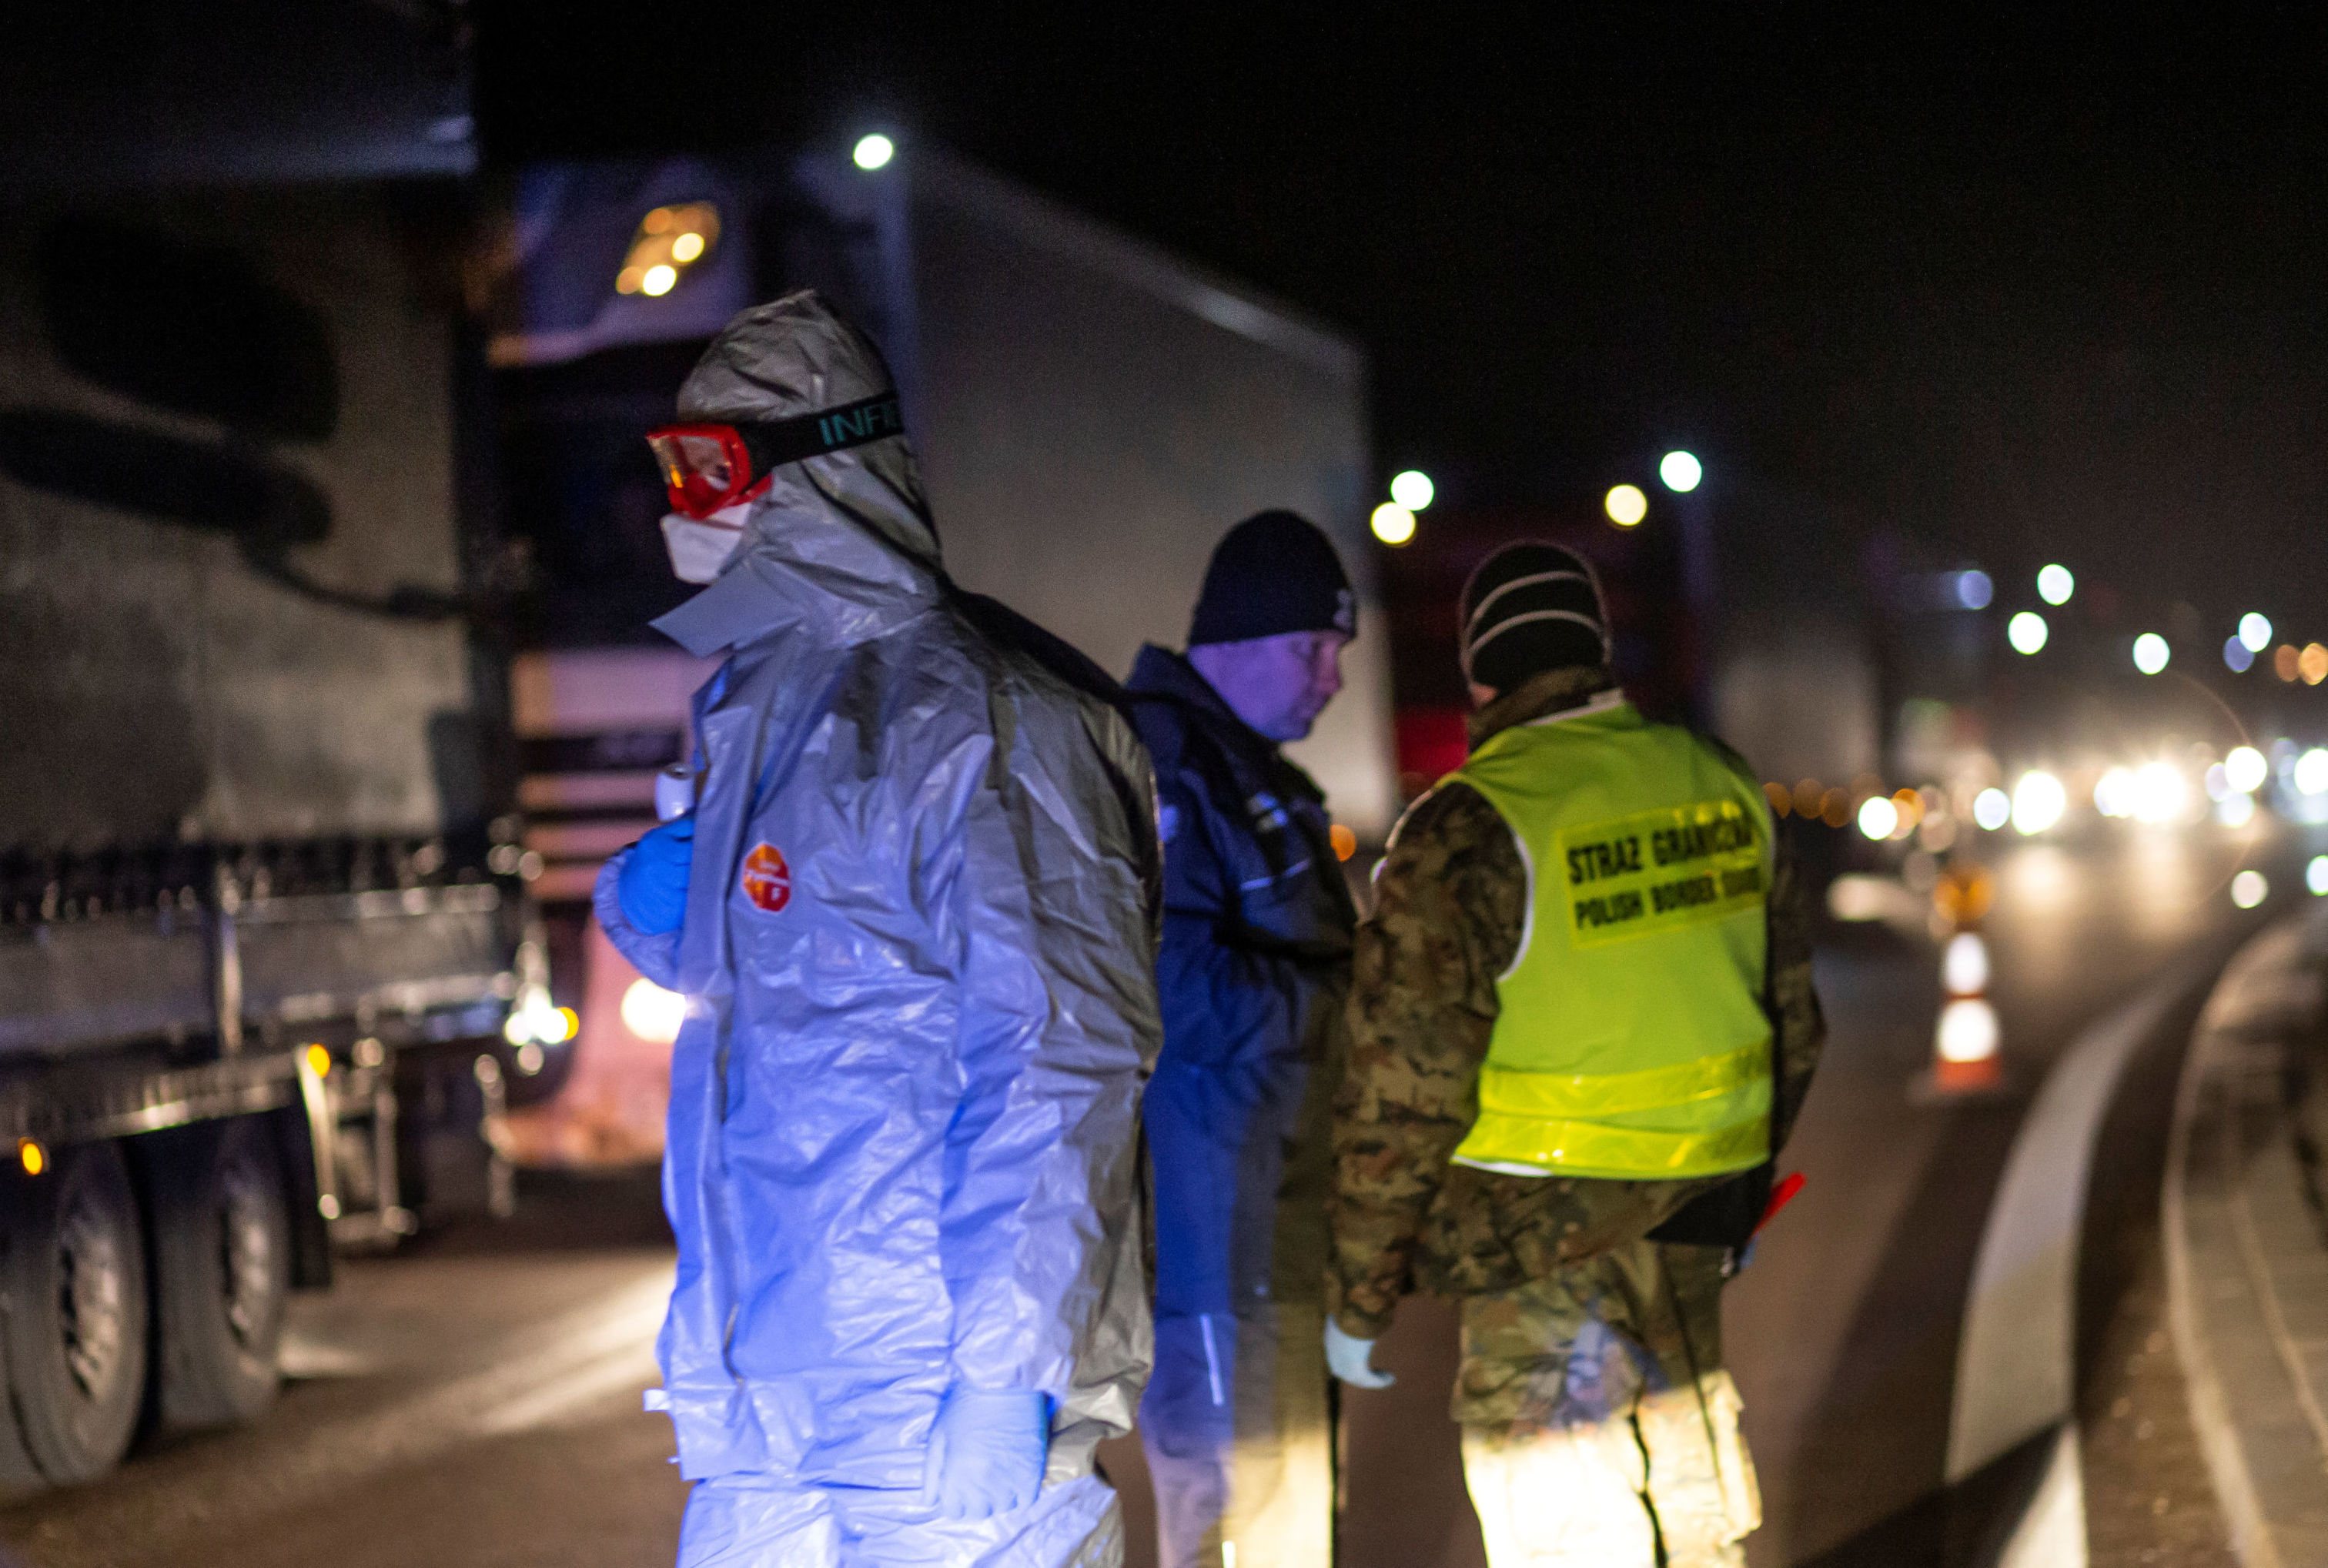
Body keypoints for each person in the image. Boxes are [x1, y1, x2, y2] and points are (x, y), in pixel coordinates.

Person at [598, 291, 1164, 1567]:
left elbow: (1057, 1054)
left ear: (820, 469)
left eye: (717, 467)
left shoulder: (989, 717)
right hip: (769, 1369)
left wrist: (1005, 1373)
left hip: (932, 1362)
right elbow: (760, 980)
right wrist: (655, 891)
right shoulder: (758, 702)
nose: (690, 505)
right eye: (675, 468)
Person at [1324, 541, 1824, 1567]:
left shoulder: (1463, 828)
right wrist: (1743, 1184)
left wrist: (1360, 1293)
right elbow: (1795, 1021)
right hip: (1696, 1222)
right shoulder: (1720, 781)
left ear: (1481, 673)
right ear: (1596, 649)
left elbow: (1399, 1096)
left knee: (1571, 1540)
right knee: (1696, 1513)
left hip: (1535, 1247)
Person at [1124, 512, 1359, 1568]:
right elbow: (1170, 989)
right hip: (1211, 1243)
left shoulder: (1254, 775)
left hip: (1269, 1226)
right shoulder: (1172, 767)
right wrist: (1350, 999)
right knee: (1240, 1522)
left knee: (1288, 1524)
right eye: (1314, 647)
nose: (1334, 678)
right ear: (1237, 640)